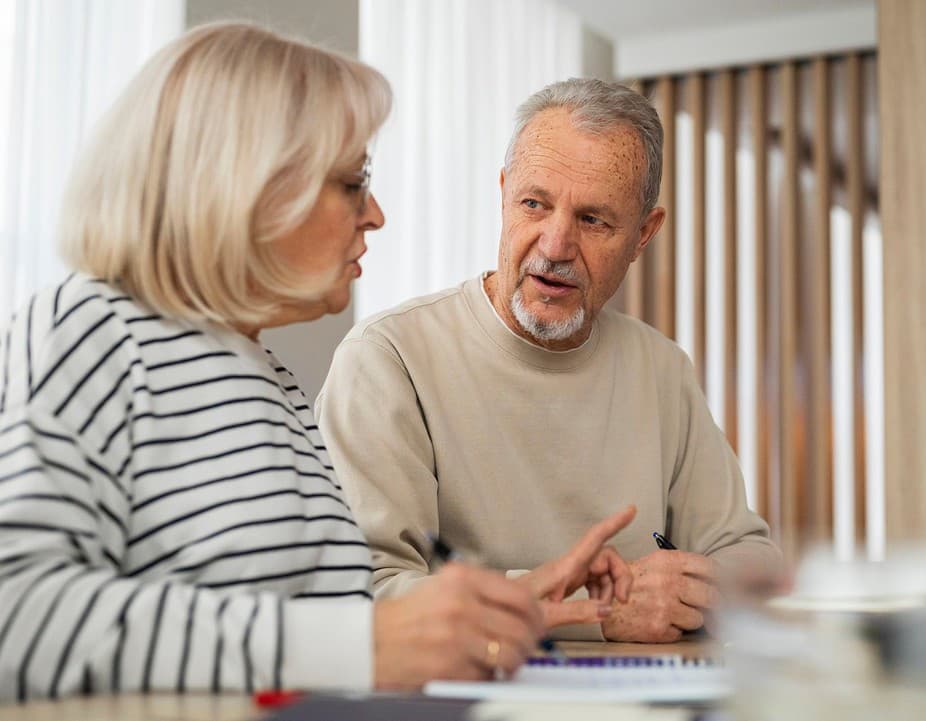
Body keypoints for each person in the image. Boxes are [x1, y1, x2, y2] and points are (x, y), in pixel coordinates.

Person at [0, 25, 637, 701]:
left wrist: (493, 606)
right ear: (244, 185)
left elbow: (311, 633)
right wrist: (368, 644)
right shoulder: (87, 330)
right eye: (353, 182)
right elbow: (18, 616)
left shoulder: (269, 378)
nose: (377, 214)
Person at [319, 78, 782, 643]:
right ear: (504, 194)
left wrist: (697, 590)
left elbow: (744, 556)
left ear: (643, 234)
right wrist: (602, 609)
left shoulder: (661, 369)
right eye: (534, 204)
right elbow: (365, 592)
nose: (555, 244)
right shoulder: (386, 361)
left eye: (593, 220)